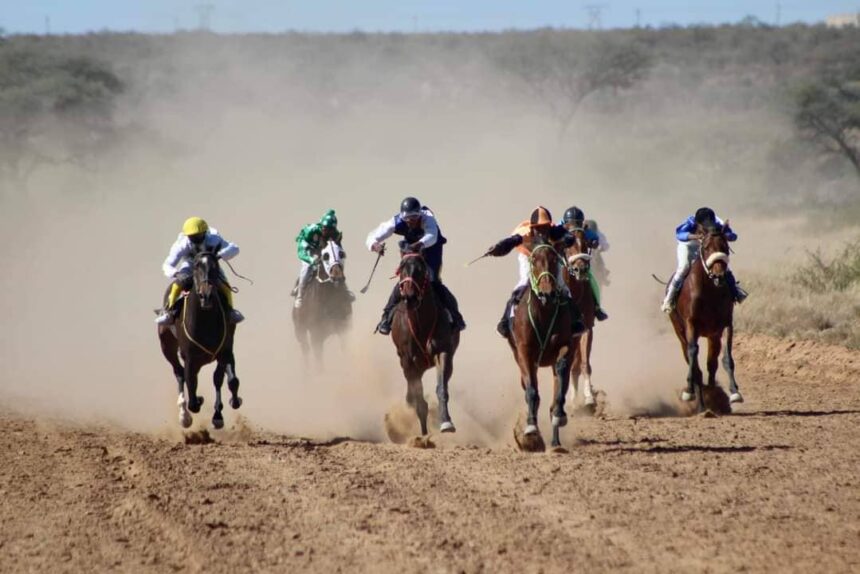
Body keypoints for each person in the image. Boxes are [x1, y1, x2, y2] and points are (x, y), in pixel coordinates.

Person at [365, 197, 466, 335]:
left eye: (414, 217)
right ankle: (386, 319)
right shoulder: (396, 222)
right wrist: (375, 246)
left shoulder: (428, 219)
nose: (411, 221)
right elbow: (372, 237)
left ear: (420, 214)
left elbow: (432, 236)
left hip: (431, 249)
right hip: (411, 251)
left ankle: (455, 316)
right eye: (407, 218)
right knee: (406, 280)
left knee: (433, 280)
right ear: (402, 216)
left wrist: (418, 245)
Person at [486, 206, 586, 338]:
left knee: (562, 285)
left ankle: (575, 320)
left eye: (545, 227)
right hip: (528, 256)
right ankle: (505, 320)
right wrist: (497, 248)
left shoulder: (553, 230)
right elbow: (509, 243)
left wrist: (567, 239)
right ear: (532, 227)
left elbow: (569, 236)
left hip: (547, 256)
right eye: (538, 227)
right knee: (523, 282)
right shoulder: (524, 233)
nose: (542, 230)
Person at [156, 216, 243, 325]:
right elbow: (167, 264)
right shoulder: (182, 245)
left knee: (225, 286)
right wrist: (177, 274)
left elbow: (234, 248)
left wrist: (220, 255)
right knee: (177, 286)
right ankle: (168, 312)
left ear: (204, 232)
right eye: (192, 236)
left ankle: (231, 311)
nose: (195, 238)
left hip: (209, 264)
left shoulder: (214, 239)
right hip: (190, 264)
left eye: (198, 235)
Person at [661, 207, 748, 313]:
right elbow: (679, 234)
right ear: (698, 223)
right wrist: (694, 236)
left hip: (708, 245)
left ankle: (736, 292)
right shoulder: (691, 221)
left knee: (723, 267)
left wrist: (726, 235)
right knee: (684, 267)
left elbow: (733, 236)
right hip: (688, 245)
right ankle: (669, 300)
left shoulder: (718, 222)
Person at [292, 209, 351, 309]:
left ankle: (344, 290)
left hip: (321, 250)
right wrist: (311, 259)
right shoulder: (311, 230)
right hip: (308, 249)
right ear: (321, 225)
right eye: (324, 228)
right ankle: (300, 296)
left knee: (336, 262)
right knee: (307, 267)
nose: (326, 231)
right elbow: (301, 252)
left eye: (329, 229)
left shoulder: (335, 234)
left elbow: (339, 253)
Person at [560, 206, 609, 321]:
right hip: (563, 262)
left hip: (580, 261)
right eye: (572, 223)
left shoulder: (585, 230)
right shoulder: (559, 228)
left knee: (592, 281)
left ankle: (597, 307)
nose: (575, 225)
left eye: (577, 223)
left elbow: (595, 239)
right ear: (566, 222)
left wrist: (594, 242)